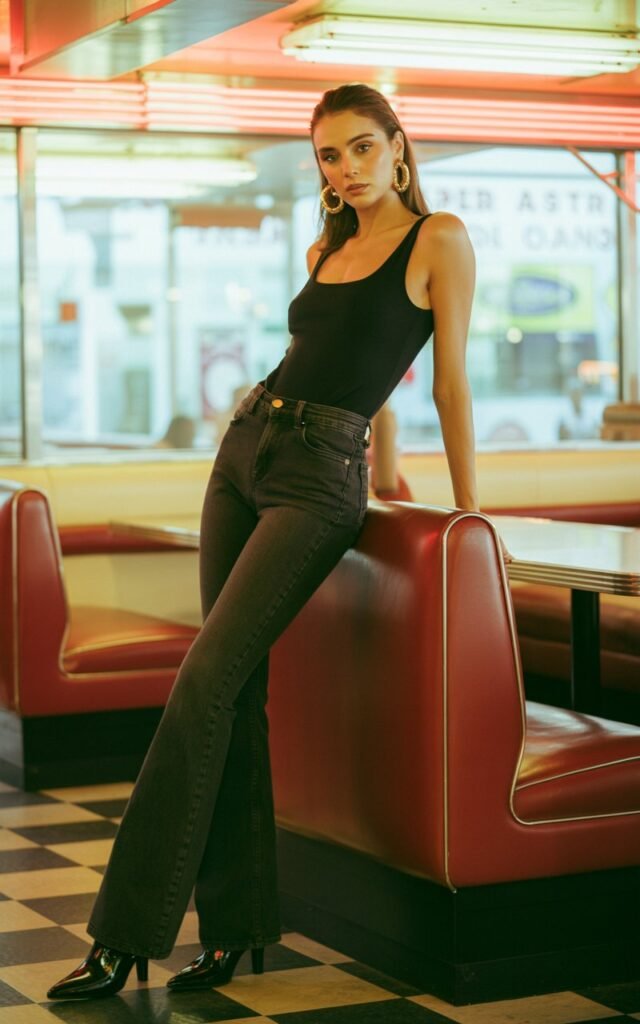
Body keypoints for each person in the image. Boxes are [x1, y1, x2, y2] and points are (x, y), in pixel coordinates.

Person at [47, 82, 504, 1002]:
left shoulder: (440, 238)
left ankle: (125, 933)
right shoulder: (326, 245)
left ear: (398, 146)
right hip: (247, 448)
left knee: (203, 677)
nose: (347, 169)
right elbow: (370, 369)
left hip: (315, 479)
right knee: (234, 692)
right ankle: (239, 928)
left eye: (362, 148)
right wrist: (382, 462)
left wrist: (466, 512)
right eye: (330, 156)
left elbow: (443, 382)